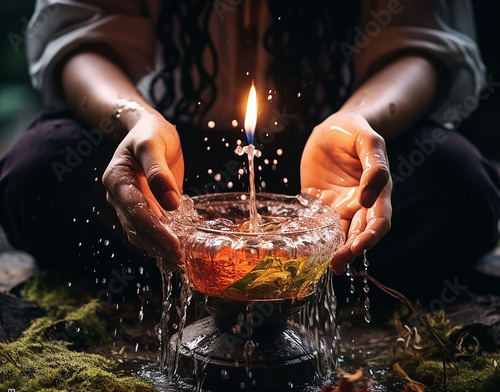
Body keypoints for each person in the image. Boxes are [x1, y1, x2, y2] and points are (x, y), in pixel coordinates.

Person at [0, 0, 498, 303]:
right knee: (39, 171)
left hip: (330, 165)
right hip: (171, 158)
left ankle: (275, 283)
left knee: (458, 184)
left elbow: (415, 41)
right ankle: (191, 270)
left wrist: (359, 120)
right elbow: (86, 35)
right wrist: (137, 118)